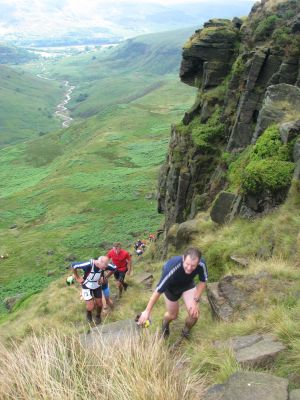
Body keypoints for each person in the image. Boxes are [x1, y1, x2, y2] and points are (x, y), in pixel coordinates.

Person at [138, 247, 208, 338]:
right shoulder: (171, 267)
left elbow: (203, 281)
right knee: (173, 315)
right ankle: (165, 323)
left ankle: (185, 331)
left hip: (187, 284)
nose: (189, 268)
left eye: (193, 266)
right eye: (187, 264)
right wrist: (147, 311)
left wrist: (195, 301)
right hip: (171, 288)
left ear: (198, 262)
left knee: (194, 314)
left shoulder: (201, 264)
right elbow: (158, 290)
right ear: (183, 258)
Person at [72, 256, 113, 324]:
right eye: (104, 266)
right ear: (99, 262)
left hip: (97, 285)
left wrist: (105, 277)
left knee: (100, 304)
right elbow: (73, 265)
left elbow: (114, 268)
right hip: (87, 285)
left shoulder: (104, 265)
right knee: (90, 307)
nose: (105, 268)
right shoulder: (88, 264)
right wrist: (77, 277)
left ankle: (98, 316)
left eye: (106, 266)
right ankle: (88, 314)